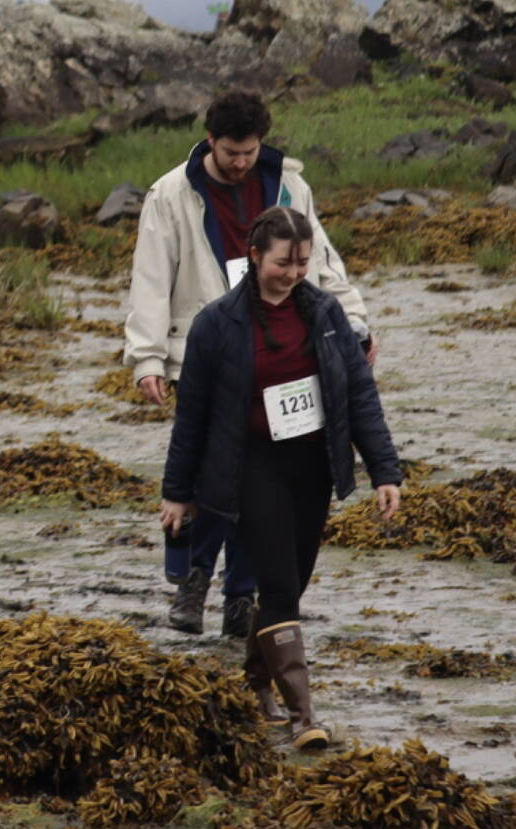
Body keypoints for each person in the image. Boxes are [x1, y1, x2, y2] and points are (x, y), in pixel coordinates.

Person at [123, 90, 374, 639]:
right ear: (211, 141)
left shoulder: (288, 185)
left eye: (250, 152)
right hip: (207, 349)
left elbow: (320, 259)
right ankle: (193, 579)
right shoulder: (171, 195)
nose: (241, 162)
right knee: (215, 470)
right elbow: (151, 276)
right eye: (232, 152)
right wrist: (147, 356)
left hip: (285, 349)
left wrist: (355, 322)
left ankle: (240, 596)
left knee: (259, 482)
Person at [161, 206, 402, 751]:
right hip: (251, 466)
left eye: (301, 262)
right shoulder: (216, 324)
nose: (293, 273)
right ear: (253, 256)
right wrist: (176, 493)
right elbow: (191, 415)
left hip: (312, 466)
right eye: (282, 263)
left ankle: (254, 688)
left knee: (289, 585)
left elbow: (360, 396)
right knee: (277, 586)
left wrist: (385, 471)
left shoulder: (326, 313)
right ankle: (302, 715)